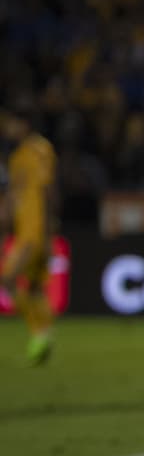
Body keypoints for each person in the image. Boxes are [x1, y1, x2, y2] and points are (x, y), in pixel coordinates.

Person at [1, 106, 58, 366]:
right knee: (35, 287)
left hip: (35, 233)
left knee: (8, 278)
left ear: (24, 123)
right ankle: (43, 337)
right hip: (25, 231)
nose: (8, 129)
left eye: (12, 123)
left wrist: (48, 232)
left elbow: (47, 190)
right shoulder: (14, 159)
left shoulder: (38, 149)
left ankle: (40, 335)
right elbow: (13, 200)